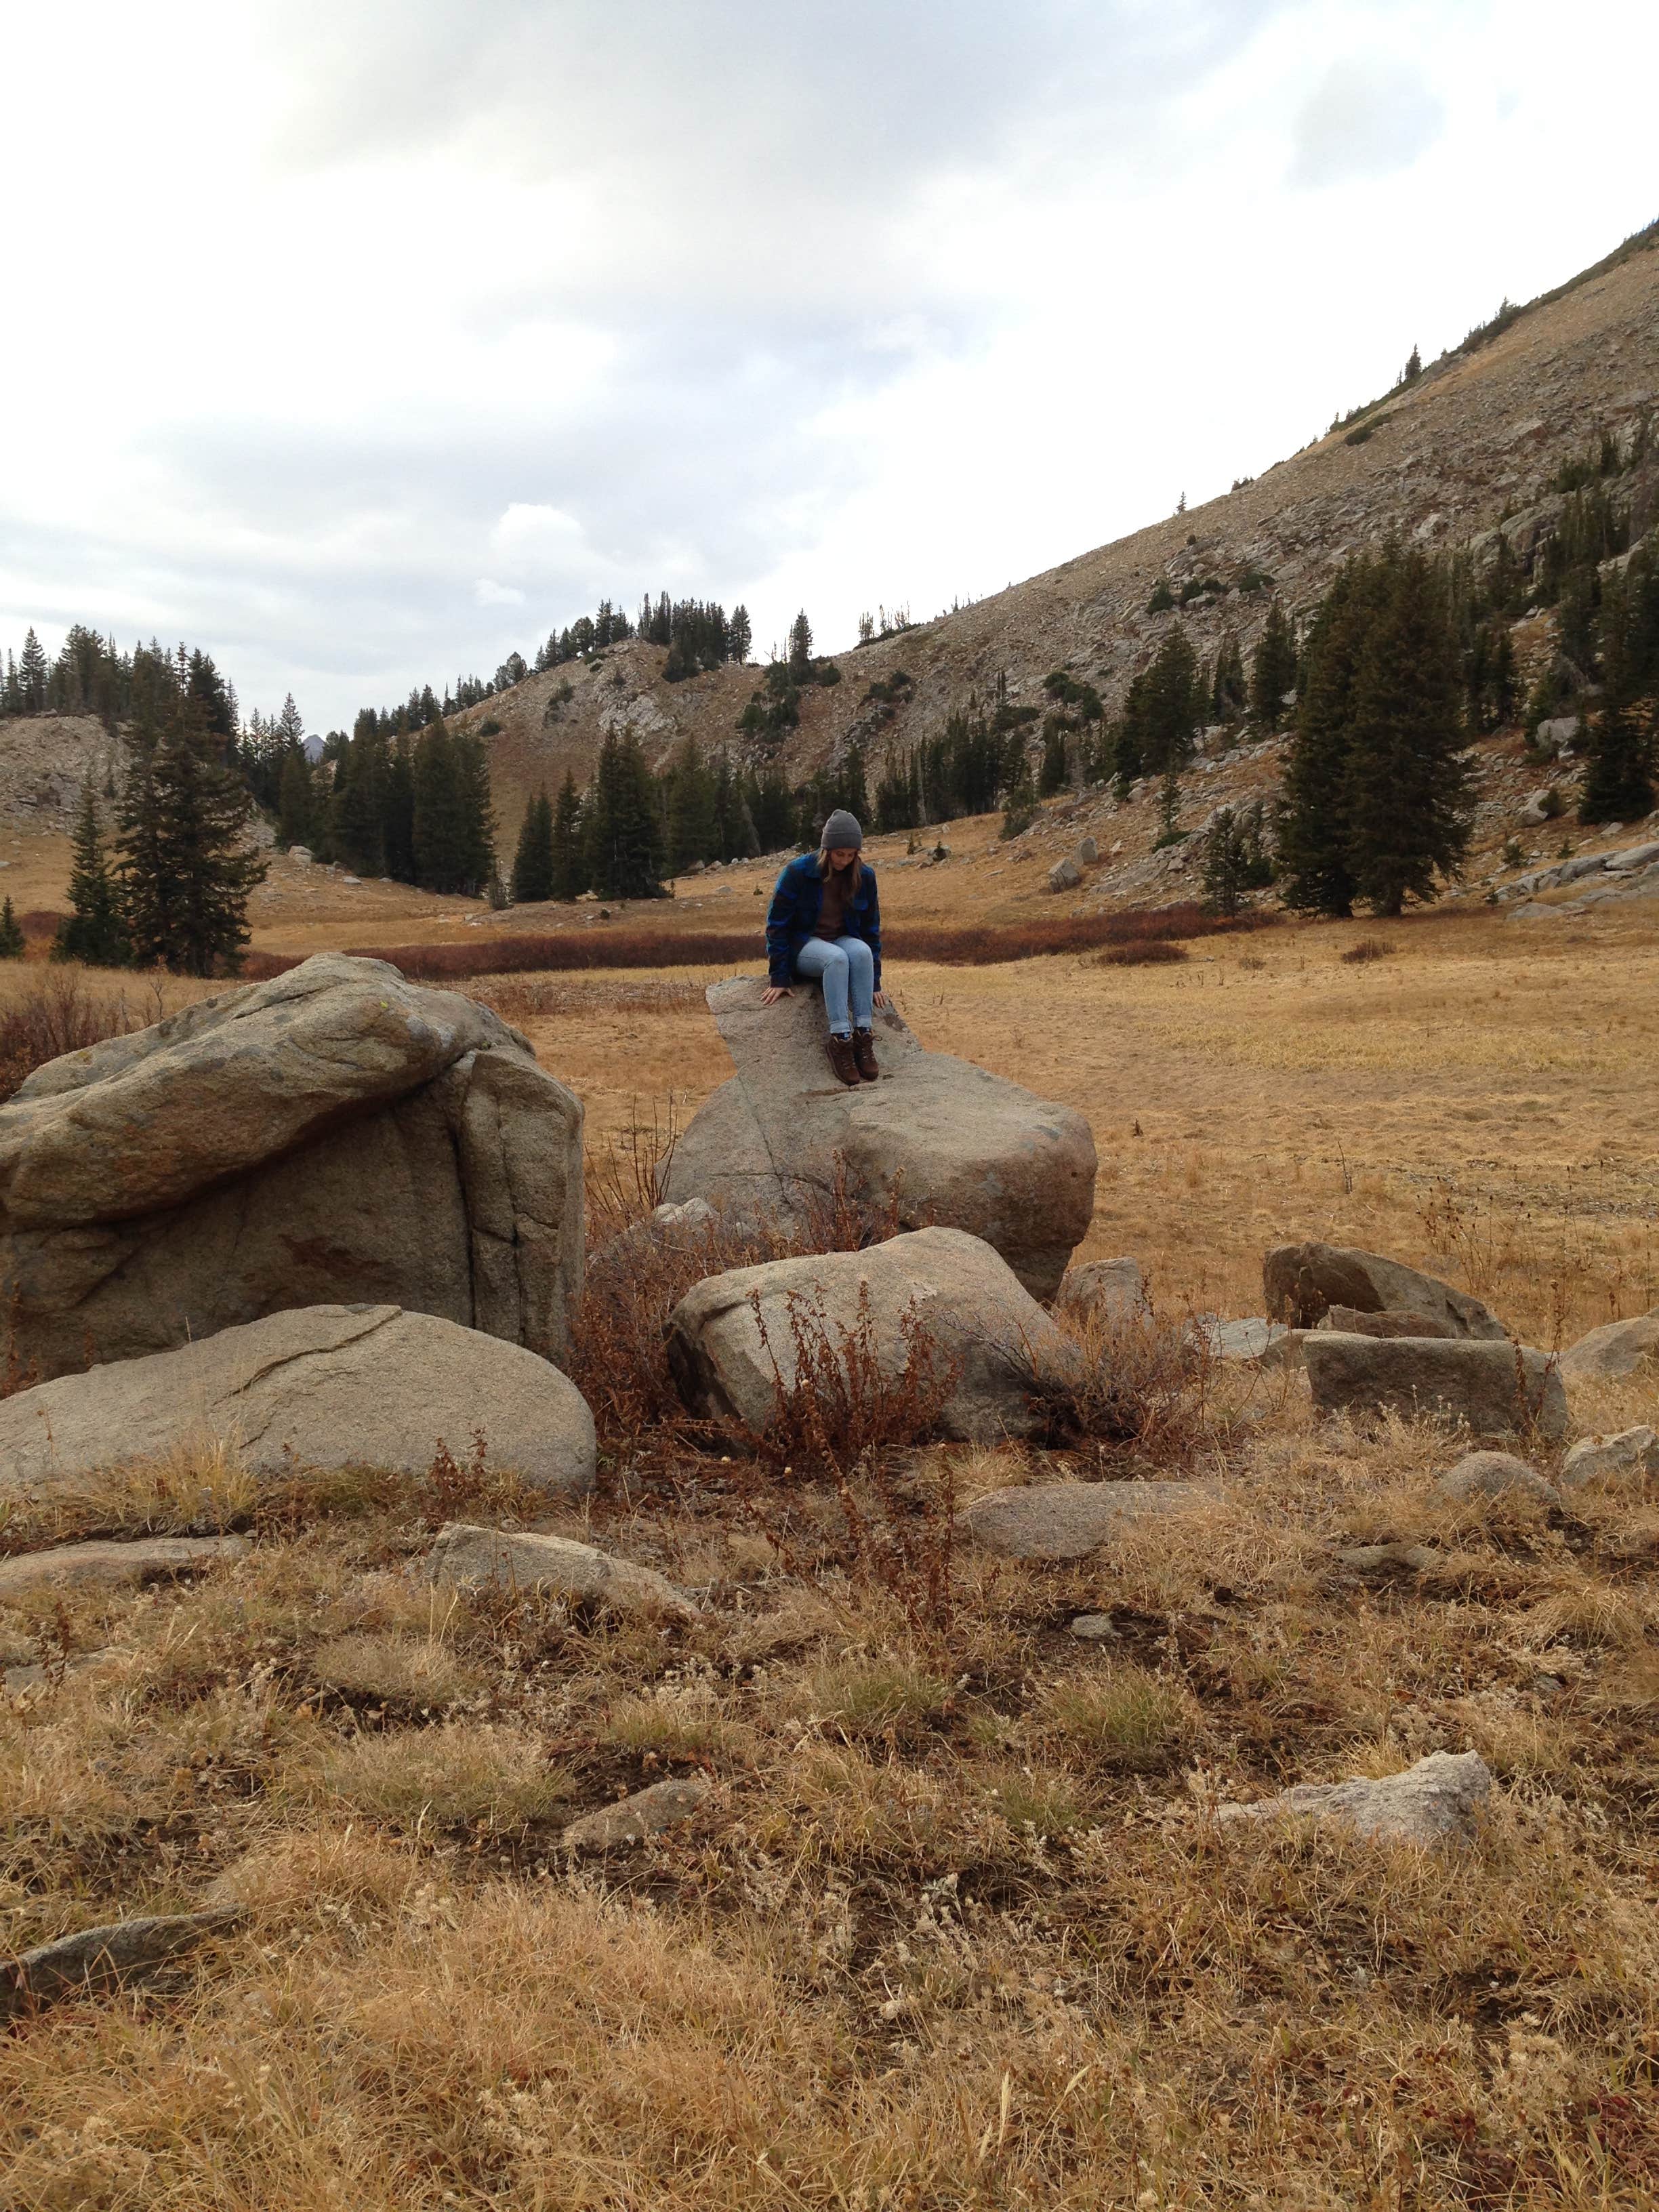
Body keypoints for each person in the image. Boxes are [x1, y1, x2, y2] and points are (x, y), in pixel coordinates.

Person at [762, 808, 886, 1086]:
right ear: (826, 849)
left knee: (861, 951)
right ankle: (840, 1039)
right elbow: (776, 925)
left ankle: (863, 1035)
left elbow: (871, 930)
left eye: (851, 854)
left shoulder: (864, 877)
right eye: (839, 854)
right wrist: (779, 977)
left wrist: (874, 982)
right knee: (837, 959)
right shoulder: (797, 873)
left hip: (841, 938)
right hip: (805, 945)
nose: (844, 860)